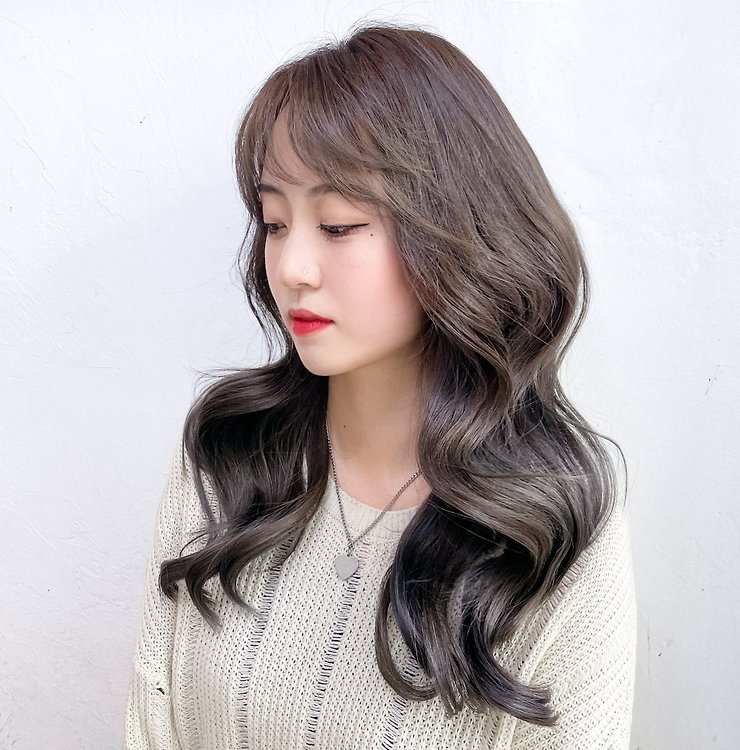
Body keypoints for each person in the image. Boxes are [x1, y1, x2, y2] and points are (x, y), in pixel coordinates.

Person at [122, 20, 637, 749]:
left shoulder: (549, 525)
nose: (292, 267)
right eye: (275, 222)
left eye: (338, 224)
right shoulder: (228, 455)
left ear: (458, 230)